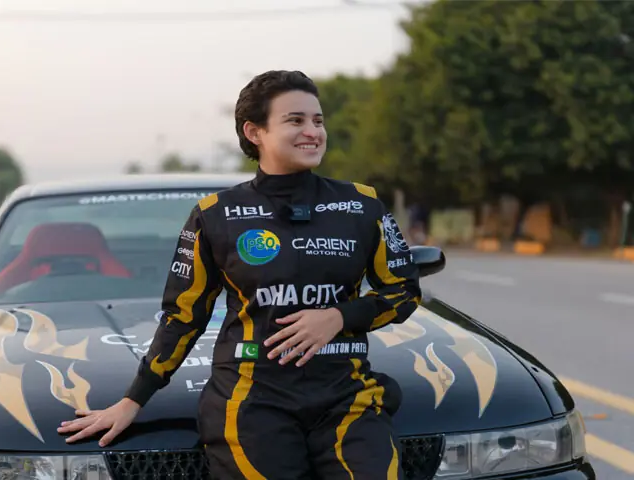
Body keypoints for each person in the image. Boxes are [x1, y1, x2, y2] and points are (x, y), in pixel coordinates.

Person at [57, 70, 421, 479]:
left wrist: (338, 317)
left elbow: (404, 291)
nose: (313, 132)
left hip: (347, 395)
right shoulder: (216, 214)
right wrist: (132, 400)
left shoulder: (362, 204)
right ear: (254, 132)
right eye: (295, 120)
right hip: (252, 399)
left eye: (318, 121)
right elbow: (183, 316)